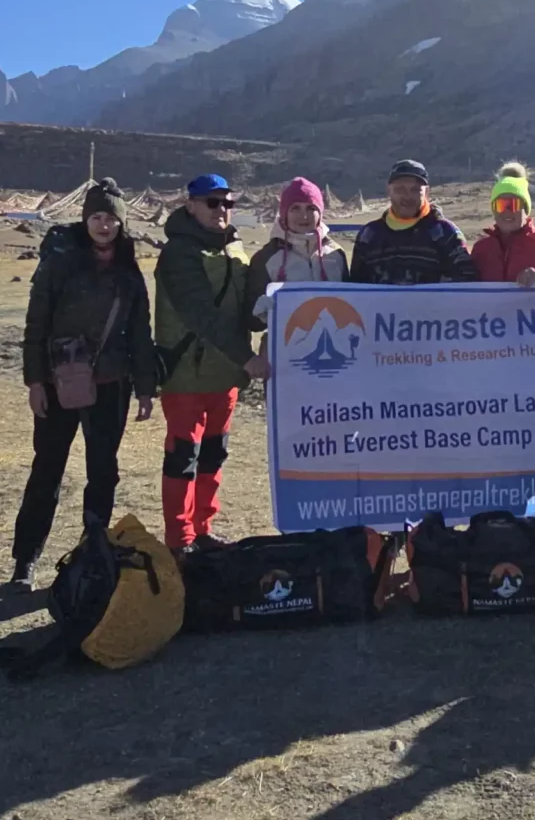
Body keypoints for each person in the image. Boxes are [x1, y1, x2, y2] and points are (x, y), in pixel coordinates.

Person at [16, 178, 157, 586]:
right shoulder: (59, 264)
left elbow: (140, 333)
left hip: (111, 385)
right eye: (96, 217)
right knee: (47, 469)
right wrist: (35, 381)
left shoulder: (129, 272)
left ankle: (92, 552)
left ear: (121, 223)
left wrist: (145, 387)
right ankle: (24, 560)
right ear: (85, 219)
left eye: (111, 218)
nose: (104, 225)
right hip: (59, 382)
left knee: (103, 470)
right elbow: (36, 324)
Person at [155, 173, 258, 550]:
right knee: (183, 456)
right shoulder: (179, 253)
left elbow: (246, 306)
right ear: (191, 205)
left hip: (224, 375)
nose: (221, 210)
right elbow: (200, 314)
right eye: (212, 203)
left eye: (228, 203)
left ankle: (202, 528)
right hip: (187, 374)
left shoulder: (233, 247)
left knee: (214, 454)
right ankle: (179, 539)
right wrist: (247, 358)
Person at [348, 159, 478, 286]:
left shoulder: (446, 234)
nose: (407, 196)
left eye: (415, 190)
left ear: (426, 192)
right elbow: (356, 287)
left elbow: (464, 283)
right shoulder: (369, 236)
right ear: (389, 191)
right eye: (400, 189)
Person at [246, 176, 350, 320]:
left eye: (311, 208)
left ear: (320, 213)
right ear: (284, 214)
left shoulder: (336, 254)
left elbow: (349, 304)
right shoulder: (266, 258)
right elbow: (251, 320)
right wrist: (260, 315)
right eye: (295, 208)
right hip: (287, 334)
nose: (304, 216)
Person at [470, 162, 535, 287]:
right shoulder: (481, 250)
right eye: (500, 205)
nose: (507, 211)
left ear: (526, 209)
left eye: (514, 204)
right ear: (493, 210)